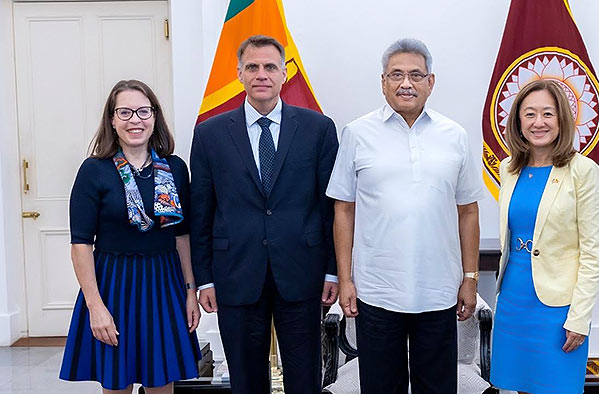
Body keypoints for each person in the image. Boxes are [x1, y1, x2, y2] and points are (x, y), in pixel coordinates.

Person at [326, 38, 484, 394]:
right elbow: (344, 209)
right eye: (396, 75)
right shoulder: (357, 133)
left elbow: (469, 210)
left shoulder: (454, 136)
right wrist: (346, 279)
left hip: (439, 290)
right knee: (381, 387)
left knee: (438, 387)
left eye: (416, 74)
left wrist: (470, 278)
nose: (406, 83)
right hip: (377, 290)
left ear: (431, 82)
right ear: (383, 82)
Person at [189, 35, 339, 394]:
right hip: (236, 274)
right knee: (246, 380)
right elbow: (201, 211)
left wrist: (333, 270)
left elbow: (330, 207)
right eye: (252, 67)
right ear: (239, 73)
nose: (261, 74)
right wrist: (205, 279)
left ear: (284, 73)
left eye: (270, 66)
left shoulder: (318, 128)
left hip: (302, 273)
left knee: (305, 378)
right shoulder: (209, 134)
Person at [59, 79, 202, 394]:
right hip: (114, 286)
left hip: (165, 285)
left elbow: (181, 236)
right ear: (112, 119)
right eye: (125, 112)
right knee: (117, 381)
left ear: (154, 117)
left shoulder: (175, 168)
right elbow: (81, 244)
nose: (135, 120)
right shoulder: (93, 171)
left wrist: (190, 291)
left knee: (162, 381)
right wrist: (95, 306)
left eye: (142, 111)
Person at [490, 79, 599, 394]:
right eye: (529, 114)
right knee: (520, 387)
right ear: (518, 121)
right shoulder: (508, 169)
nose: (538, 122)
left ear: (561, 119)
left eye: (547, 114)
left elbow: (594, 253)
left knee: (557, 387)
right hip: (514, 299)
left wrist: (579, 318)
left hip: (558, 307)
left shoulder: (583, 171)